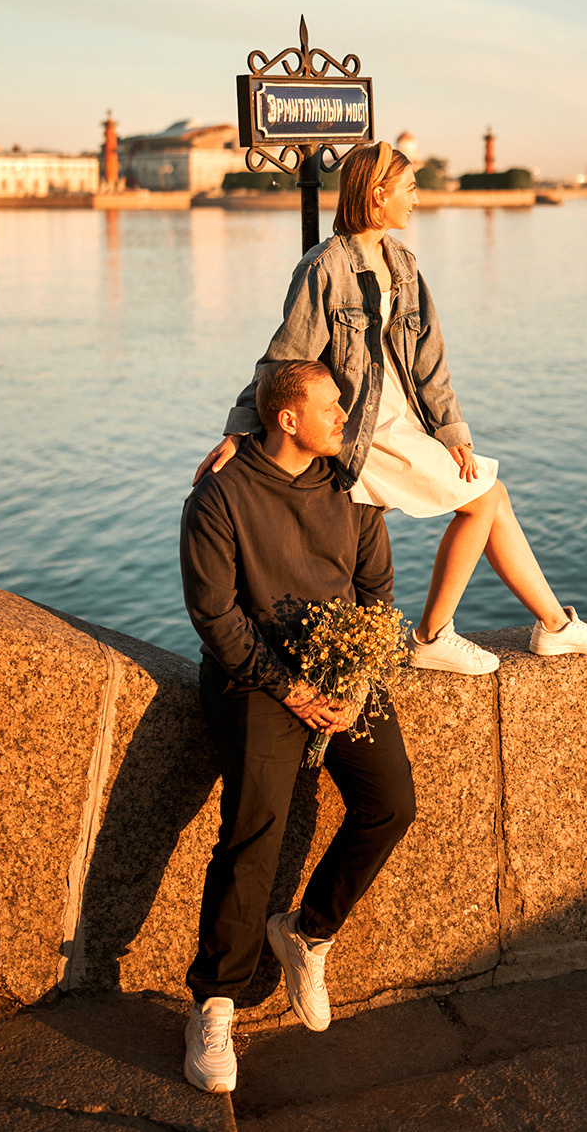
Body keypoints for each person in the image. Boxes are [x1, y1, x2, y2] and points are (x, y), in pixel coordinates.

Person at [196, 140, 587, 676]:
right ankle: (434, 634)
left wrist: (451, 431)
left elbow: (430, 358)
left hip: (404, 421)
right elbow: (284, 360)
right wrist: (239, 431)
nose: (417, 198)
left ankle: (554, 627)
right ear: (377, 196)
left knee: (491, 494)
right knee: (485, 497)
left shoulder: (402, 263)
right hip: (362, 429)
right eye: (410, 187)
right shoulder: (324, 267)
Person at [180, 358, 416, 1093]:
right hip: (254, 680)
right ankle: (214, 1004)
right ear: (288, 418)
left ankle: (307, 932)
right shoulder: (220, 497)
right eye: (332, 411)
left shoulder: (351, 489)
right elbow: (215, 617)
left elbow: (377, 594)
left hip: (341, 676)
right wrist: (291, 689)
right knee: (255, 827)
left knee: (391, 804)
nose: (345, 421)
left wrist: (357, 681)